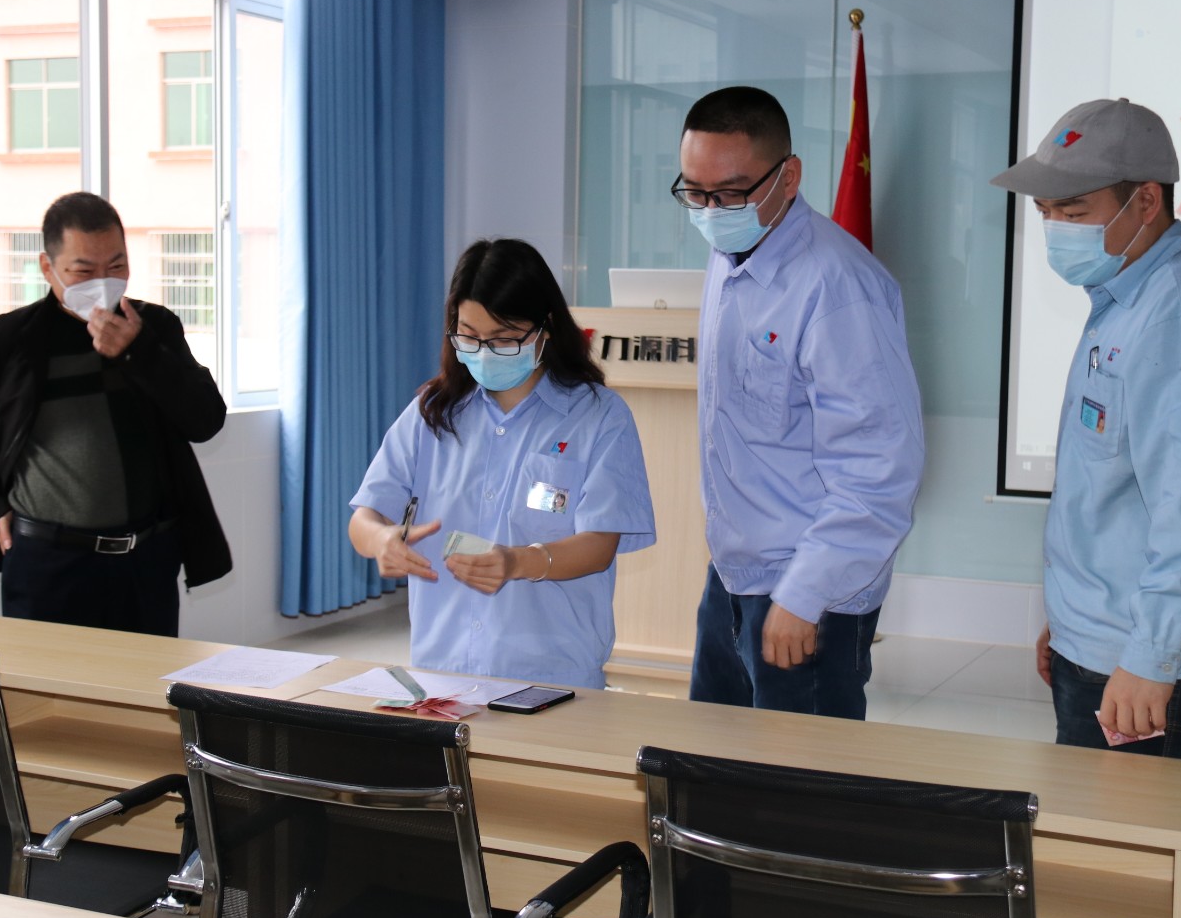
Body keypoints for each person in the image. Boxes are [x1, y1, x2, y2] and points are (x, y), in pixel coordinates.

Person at [991, 98, 1181, 762]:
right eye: (1045, 213)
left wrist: (1150, 655)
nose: (1055, 230)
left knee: (1125, 832)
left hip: (1155, 669)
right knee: (1089, 823)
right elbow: (1109, 490)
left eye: (1073, 213)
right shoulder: (1125, 299)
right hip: (1105, 641)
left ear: (1146, 201)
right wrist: (1073, 624)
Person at [675, 86, 924, 720]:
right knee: (709, 758)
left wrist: (803, 596)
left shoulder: (838, 287)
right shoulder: (730, 252)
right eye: (695, 193)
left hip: (809, 592)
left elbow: (879, 469)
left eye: (731, 193)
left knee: (799, 775)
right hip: (733, 573)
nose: (711, 211)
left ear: (789, 176)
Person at [0, 192, 231, 636]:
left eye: (116, 266)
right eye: (83, 271)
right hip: (48, 560)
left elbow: (205, 420)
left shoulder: (154, 327)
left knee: (147, 678)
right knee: (50, 679)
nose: (102, 282)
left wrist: (138, 352)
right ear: (48, 268)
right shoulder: (9, 339)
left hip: (147, 557)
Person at [349, 238, 656, 689]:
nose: (484, 351)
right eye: (469, 336)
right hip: (442, 672)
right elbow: (365, 517)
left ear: (545, 328)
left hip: (553, 675)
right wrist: (382, 540)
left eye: (504, 338)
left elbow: (600, 544)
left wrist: (518, 562)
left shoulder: (598, 417)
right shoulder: (432, 413)